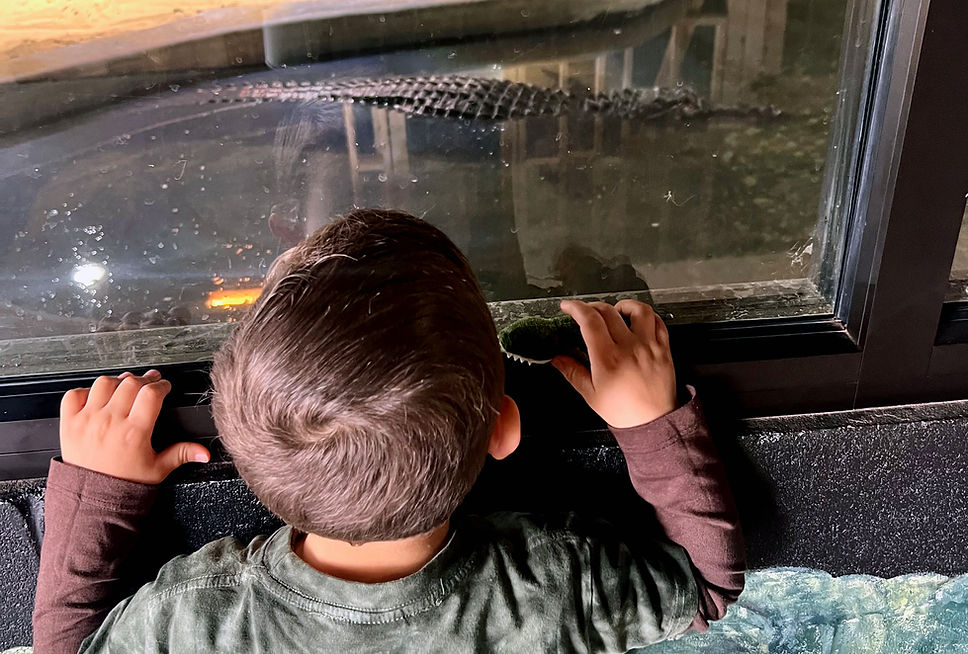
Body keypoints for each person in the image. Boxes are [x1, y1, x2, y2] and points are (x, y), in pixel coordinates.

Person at [32, 209, 744, 653]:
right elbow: (709, 590)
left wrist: (101, 490)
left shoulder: (194, 619)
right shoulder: (556, 583)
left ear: (243, 456)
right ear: (502, 427)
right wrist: (649, 421)